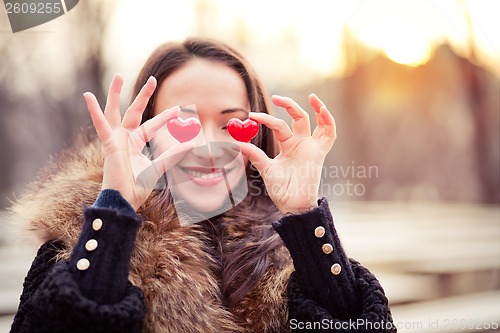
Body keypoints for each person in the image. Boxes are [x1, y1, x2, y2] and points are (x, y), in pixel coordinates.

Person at [10, 38, 395, 333]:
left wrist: (304, 219)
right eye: (184, 124)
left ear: (257, 137)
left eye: (231, 124)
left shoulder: (295, 252)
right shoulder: (75, 249)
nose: (209, 148)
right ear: (146, 133)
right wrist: (114, 213)